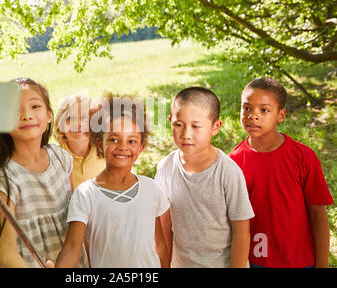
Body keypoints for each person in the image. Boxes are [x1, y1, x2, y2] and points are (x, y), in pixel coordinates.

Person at [51, 95, 170, 268]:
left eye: (131, 141)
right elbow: (72, 247)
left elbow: (159, 245)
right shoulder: (85, 194)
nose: (123, 146)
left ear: (141, 147)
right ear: (100, 144)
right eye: (114, 139)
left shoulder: (151, 188)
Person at [229, 77, 334, 268]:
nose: (253, 115)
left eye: (264, 110)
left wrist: (322, 265)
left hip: (299, 262)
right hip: (253, 260)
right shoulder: (233, 162)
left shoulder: (303, 157)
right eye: (247, 108)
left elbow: (318, 215)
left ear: (281, 115)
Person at [0, 78, 88, 268]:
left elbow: (76, 215)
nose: (27, 115)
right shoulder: (7, 178)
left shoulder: (61, 158)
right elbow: (6, 250)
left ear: (50, 115)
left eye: (35, 106)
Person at [155, 87, 254, 268]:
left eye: (196, 126)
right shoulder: (165, 168)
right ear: (170, 121)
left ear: (215, 127)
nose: (186, 134)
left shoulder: (228, 172)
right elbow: (164, 225)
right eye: (179, 124)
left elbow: (241, 232)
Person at [54, 94, 106, 190]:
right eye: (70, 118)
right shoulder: (55, 157)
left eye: (83, 118)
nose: (77, 124)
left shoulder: (104, 151)